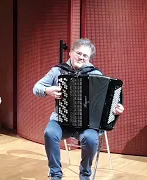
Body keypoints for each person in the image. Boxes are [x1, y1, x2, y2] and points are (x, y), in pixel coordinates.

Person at [33, 38, 124, 180]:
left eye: (85, 56)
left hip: (87, 125)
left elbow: (108, 104)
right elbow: (36, 88)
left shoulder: (95, 74)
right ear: (70, 53)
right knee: (50, 134)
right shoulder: (57, 71)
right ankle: (55, 175)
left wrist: (115, 110)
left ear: (88, 59)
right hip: (61, 120)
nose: (81, 57)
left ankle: (85, 174)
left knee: (91, 138)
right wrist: (47, 90)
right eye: (79, 53)